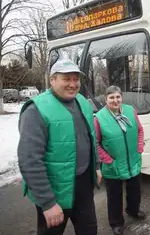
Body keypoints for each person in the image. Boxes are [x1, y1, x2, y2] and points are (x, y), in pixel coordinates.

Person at [17, 58, 102, 235]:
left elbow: (90, 138)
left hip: (84, 186)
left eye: (76, 79)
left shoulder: (82, 103)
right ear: (52, 80)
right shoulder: (36, 110)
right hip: (55, 191)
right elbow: (30, 161)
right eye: (66, 79)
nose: (73, 84)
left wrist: (97, 166)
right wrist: (48, 203)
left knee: (89, 230)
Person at [94, 86, 145, 235]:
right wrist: (108, 160)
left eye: (118, 97)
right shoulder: (99, 118)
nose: (115, 100)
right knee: (114, 196)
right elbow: (95, 143)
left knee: (135, 190)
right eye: (112, 98)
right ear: (106, 99)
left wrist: (139, 148)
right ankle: (116, 222)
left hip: (133, 160)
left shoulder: (130, 110)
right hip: (113, 165)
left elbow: (140, 130)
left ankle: (133, 210)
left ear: (121, 97)